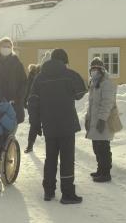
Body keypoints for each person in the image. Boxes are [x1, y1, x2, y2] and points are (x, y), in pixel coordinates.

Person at [28, 49, 87, 204]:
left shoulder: (39, 78)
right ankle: (67, 194)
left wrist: (35, 123)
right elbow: (81, 91)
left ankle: (49, 191)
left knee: (51, 158)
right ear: (65, 61)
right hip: (67, 124)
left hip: (49, 124)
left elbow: (32, 101)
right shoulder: (70, 75)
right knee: (67, 159)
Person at [85, 58, 118, 183]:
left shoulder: (106, 83)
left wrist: (102, 119)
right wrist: (88, 118)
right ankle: (100, 170)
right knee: (96, 147)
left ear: (101, 70)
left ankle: (106, 173)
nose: (94, 71)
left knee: (103, 147)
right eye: (92, 69)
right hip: (94, 122)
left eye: (96, 69)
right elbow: (92, 104)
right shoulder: (93, 83)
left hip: (103, 121)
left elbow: (107, 103)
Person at [0, 37, 27, 125]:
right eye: (4, 46)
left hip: (14, 105)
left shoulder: (17, 63)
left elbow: (24, 83)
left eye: (8, 46)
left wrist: (18, 99)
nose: (6, 48)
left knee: (11, 133)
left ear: (12, 48)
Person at [24, 64, 41, 153]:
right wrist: (25, 100)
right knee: (34, 125)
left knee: (37, 125)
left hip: (42, 104)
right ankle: (30, 145)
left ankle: (30, 145)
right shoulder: (31, 77)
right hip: (33, 104)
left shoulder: (44, 77)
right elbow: (27, 89)